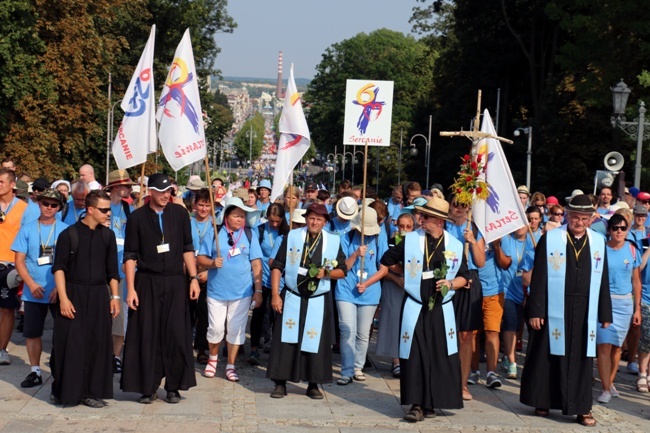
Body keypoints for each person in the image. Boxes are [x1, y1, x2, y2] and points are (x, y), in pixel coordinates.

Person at [520, 194, 613, 427]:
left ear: (591, 219)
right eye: (574, 217)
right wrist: (536, 310)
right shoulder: (551, 238)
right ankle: (543, 400)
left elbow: (603, 280)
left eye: (583, 218)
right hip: (554, 306)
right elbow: (539, 276)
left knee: (581, 358)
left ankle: (581, 407)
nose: (578, 222)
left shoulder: (599, 242)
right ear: (567, 215)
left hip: (585, 309)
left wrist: (605, 313)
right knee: (548, 355)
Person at [380, 196, 469, 422]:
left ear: (439, 221)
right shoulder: (410, 240)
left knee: (439, 354)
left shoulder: (455, 245)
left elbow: (465, 278)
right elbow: (386, 259)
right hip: (415, 307)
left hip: (442, 309)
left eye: (425, 217)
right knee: (416, 354)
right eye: (421, 215)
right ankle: (417, 404)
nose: (421, 220)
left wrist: (450, 283)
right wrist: (407, 275)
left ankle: (432, 402)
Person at [120, 173, 200, 404]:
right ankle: (148, 386)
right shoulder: (136, 218)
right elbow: (130, 256)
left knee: (175, 334)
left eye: (170, 191)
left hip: (176, 281)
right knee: (148, 335)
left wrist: (193, 278)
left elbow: (187, 247)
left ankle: (173, 386)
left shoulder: (180, 213)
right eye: (162, 191)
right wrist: (131, 289)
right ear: (150, 192)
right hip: (147, 282)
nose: (167, 195)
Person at [267, 203, 348, 399]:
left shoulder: (332, 241)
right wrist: (276, 295)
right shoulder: (293, 237)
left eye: (319, 219)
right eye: (311, 218)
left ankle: (313, 383)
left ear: (325, 222)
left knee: (316, 341)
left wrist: (327, 272)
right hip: (292, 294)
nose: (314, 222)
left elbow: (343, 271)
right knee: (285, 339)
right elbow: (277, 266)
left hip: (318, 299)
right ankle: (280, 382)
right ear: (306, 219)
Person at [49, 189, 119, 407]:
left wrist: (114, 296)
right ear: (90, 209)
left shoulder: (108, 236)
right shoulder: (68, 234)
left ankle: (91, 391)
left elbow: (112, 272)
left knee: (97, 344)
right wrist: (63, 298)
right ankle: (64, 390)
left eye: (109, 209)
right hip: (73, 293)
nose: (108, 213)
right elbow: (59, 269)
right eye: (104, 210)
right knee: (70, 344)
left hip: (99, 295)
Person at [197, 197, 263, 382]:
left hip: (242, 292)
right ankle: (213, 359)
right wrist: (211, 263)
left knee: (235, 329)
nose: (240, 219)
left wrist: (258, 291)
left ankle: (231, 365)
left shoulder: (250, 234)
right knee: (216, 328)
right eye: (236, 215)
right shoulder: (215, 233)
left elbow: (256, 264)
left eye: (243, 216)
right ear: (227, 216)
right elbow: (200, 258)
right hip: (217, 291)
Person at [11, 189, 68, 387]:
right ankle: (35, 371)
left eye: (54, 205)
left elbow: (70, 262)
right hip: (33, 290)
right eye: (45, 204)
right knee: (32, 332)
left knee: (62, 333)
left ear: (59, 207)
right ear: (39, 204)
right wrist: (31, 284)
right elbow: (19, 261)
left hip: (57, 291)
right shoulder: (27, 228)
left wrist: (60, 288)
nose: (49, 208)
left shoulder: (65, 230)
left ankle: (60, 369)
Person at [336, 206, 388, 385]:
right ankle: (346, 370)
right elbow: (342, 268)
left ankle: (358, 366)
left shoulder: (380, 237)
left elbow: (384, 268)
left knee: (363, 333)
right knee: (346, 330)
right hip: (346, 289)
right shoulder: (346, 238)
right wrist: (356, 253)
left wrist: (366, 283)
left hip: (370, 290)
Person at [596, 214, 642, 403]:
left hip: (624, 304)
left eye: (623, 228)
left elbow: (636, 281)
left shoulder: (632, 250)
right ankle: (605, 388)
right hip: (605, 302)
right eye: (615, 228)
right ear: (609, 230)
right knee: (604, 344)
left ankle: (611, 381)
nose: (619, 232)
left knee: (616, 348)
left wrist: (637, 309)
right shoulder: (601, 250)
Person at [445, 194, 485, 400]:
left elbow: (480, 262)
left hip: (471, 283)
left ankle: (462, 384)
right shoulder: (444, 226)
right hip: (449, 280)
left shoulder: (474, 228)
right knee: (446, 333)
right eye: (456, 204)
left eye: (463, 205)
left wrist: (472, 241)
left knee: (466, 335)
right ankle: (444, 379)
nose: (459, 208)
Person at [248, 203, 290, 365]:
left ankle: (275, 348)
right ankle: (253, 349)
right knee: (258, 314)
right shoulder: (259, 230)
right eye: (271, 221)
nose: (274, 224)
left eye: (277, 221)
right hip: (261, 278)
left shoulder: (288, 232)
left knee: (276, 315)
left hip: (281, 280)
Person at [375, 213, 415, 377]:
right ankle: (396, 360)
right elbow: (383, 264)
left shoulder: (416, 243)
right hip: (393, 284)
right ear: (396, 226)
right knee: (393, 321)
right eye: (401, 226)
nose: (404, 230)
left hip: (411, 285)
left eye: (408, 227)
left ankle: (409, 358)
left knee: (409, 322)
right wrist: (395, 277)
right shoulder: (390, 243)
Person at [492, 225, 534, 380]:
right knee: (510, 323)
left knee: (517, 328)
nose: (520, 227)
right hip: (506, 288)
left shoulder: (534, 242)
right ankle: (512, 362)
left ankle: (506, 356)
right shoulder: (507, 239)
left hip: (524, 291)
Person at [105, 170, 135, 374]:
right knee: (101, 314)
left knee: (119, 317)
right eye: (127, 186)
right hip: (102, 270)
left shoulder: (129, 208)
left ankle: (115, 356)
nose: (130, 189)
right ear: (116, 186)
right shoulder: (102, 206)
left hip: (123, 270)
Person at [0, 168, 28, 365]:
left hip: (10, 266)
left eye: (1, 182)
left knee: (7, 309)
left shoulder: (24, 208)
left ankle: (1, 349)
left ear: (12, 185)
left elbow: (28, 237)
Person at [189, 188, 213, 365]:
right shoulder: (187, 223)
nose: (204, 209)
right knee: (187, 312)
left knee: (204, 314)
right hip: (189, 272)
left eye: (207, 205)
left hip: (208, 274)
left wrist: (208, 271)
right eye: (201, 205)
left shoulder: (216, 225)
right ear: (195, 205)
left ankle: (202, 348)